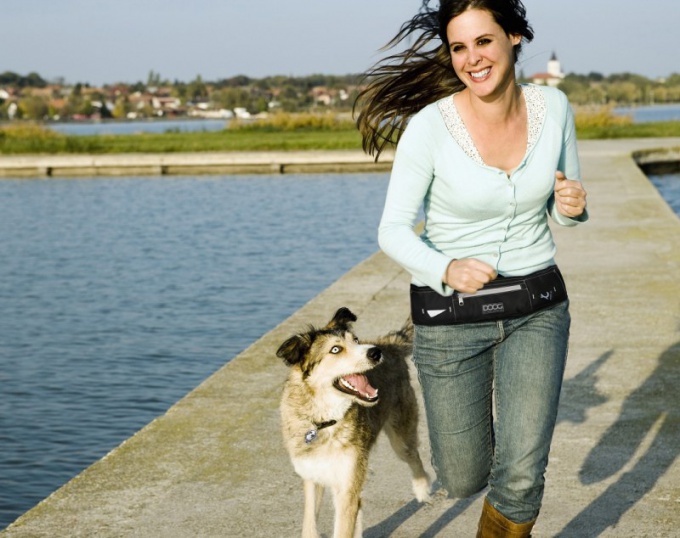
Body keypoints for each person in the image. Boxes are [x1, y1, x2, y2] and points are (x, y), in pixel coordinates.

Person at [355, 0, 588, 536]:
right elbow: (390, 230)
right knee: (462, 477)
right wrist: (446, 266)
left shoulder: (554, 108)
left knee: (523, 473)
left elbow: (565, 207)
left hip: (538, 308)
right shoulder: (429, 128)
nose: (472, 58)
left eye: (484, 41)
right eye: (459, 47)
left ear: (514, 38)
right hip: (452, 316)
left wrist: (572, 207)